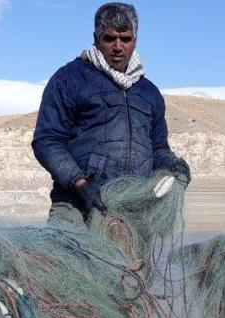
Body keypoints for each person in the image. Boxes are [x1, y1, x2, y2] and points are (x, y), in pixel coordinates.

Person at [32, 2, 191, 225]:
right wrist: (79, 183)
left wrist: (174, 164)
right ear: (96, 38)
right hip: (77, 204)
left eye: (125, 39)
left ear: (135, 40)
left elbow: (157, 148)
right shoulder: (69, 79)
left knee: (135, 261)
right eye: (109, 38)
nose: (117, 46)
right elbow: (47, 140)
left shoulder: (150, 93)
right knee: (65, 257)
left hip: (132, 210)